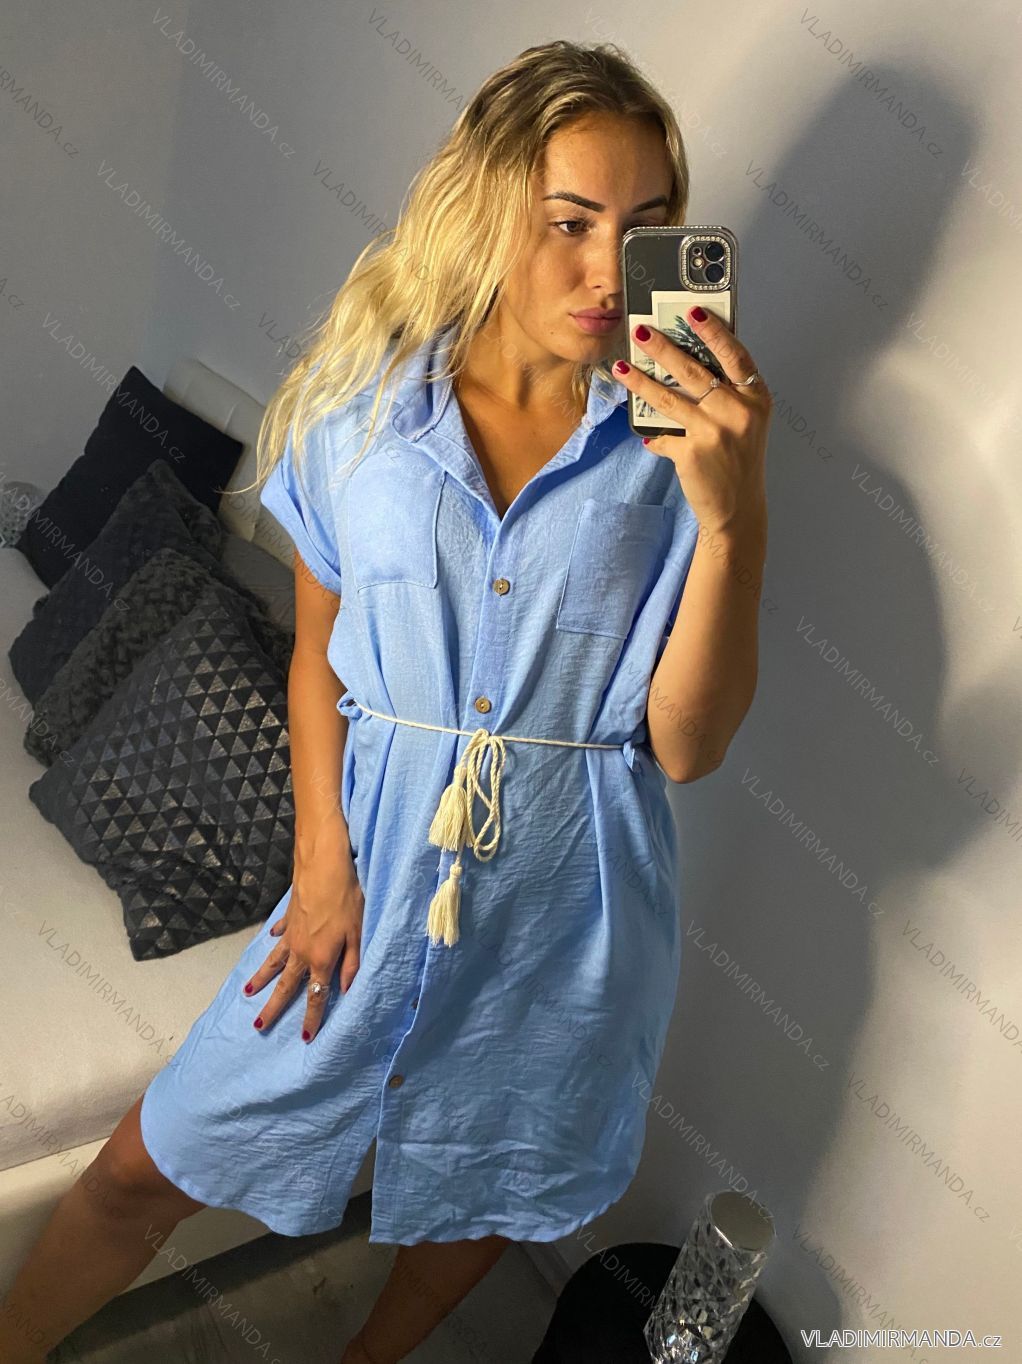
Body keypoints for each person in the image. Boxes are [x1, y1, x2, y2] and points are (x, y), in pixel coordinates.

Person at [0, 39, 771, 1364]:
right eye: (570, 222)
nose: (607, 272)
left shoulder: (684, 445)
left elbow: (686, 748)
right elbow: (316, 651)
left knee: (492, 1184)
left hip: (573, 913)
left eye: (643, 227)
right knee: (140, 1167)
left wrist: (732, 513)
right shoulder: (362, 415)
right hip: (368, 879)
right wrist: (321, 864)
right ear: (489, 209)